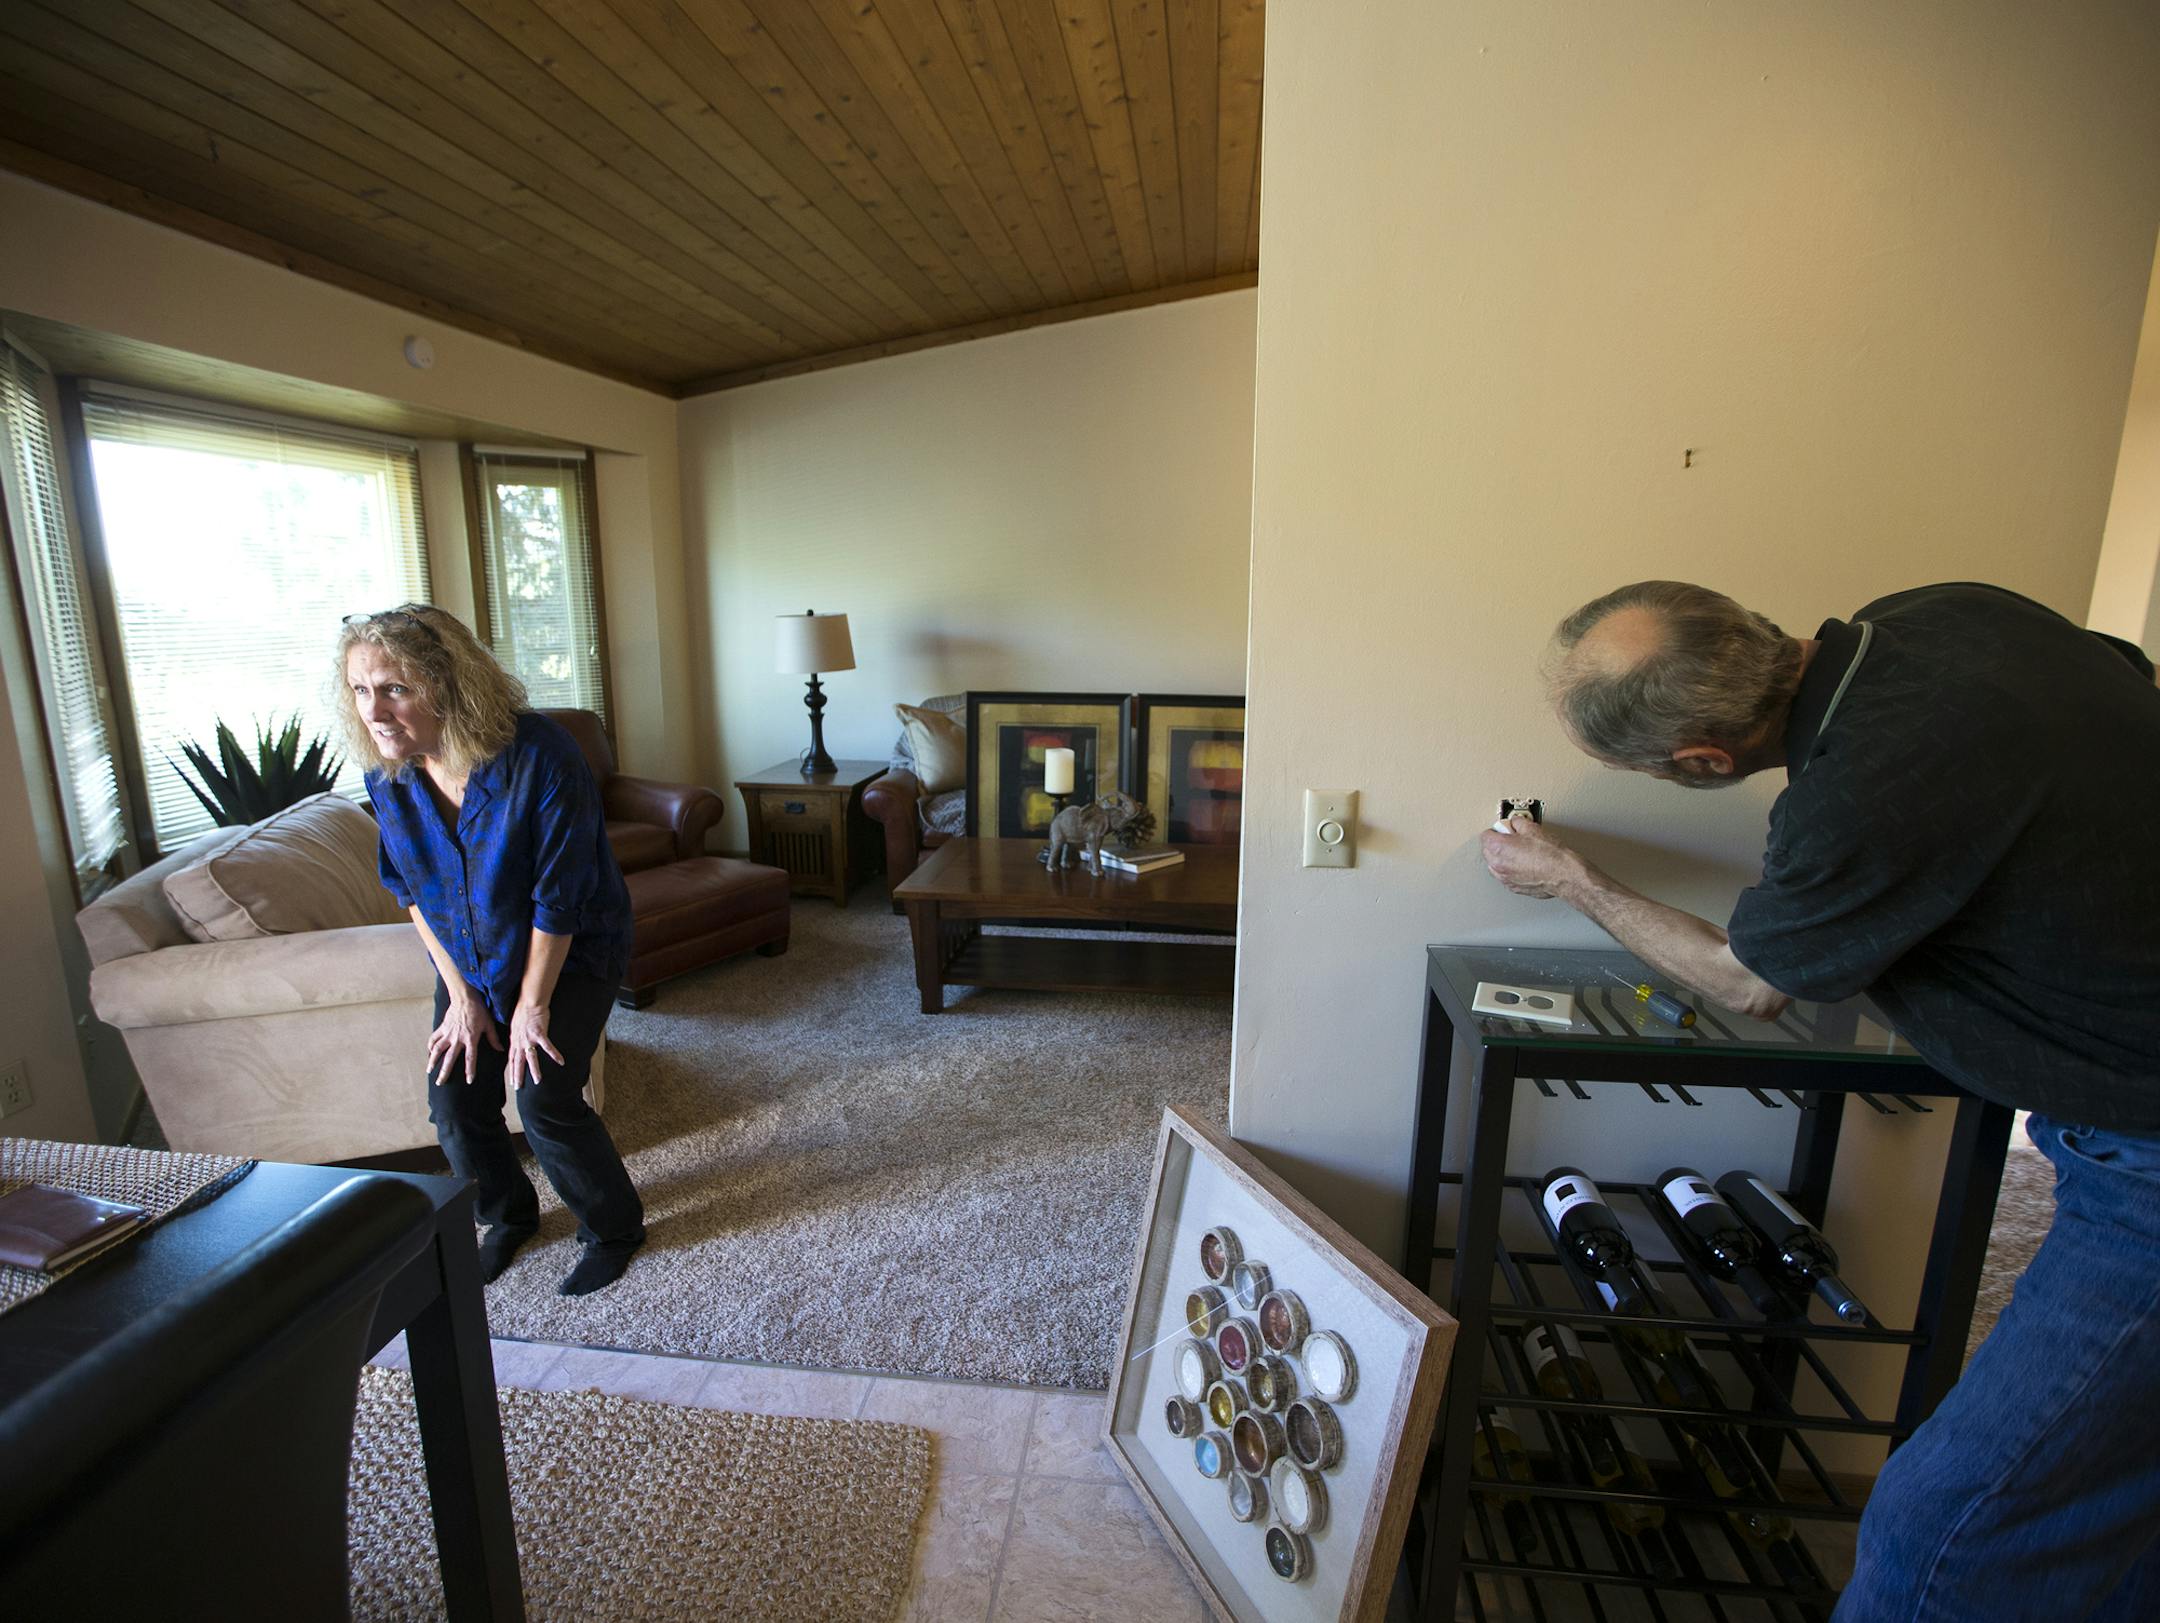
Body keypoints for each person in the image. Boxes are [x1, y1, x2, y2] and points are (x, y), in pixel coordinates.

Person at [1479, 579, 2160, 1622]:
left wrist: (1571, 877)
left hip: (2148, 1154)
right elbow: (2128, 675)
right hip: (2122, 1112)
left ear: (1703, 762)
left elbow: (1750, 980)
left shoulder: (1854, 798)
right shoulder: (1944, 609)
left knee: (1944, 1529)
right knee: (2112, 1507)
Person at [337, 603, 645, 1297]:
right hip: (467, 958)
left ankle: (614, 1225)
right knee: (453, 1097)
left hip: (571, 945)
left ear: (446, 683)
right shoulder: (387, 776)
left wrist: (531, 1008)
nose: (375, 711)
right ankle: (505, 1215)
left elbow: (559, 898)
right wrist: (463, 997)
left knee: (542, 1093)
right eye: (360, 690)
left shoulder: (540, 755)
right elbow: (411, 891)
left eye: (395, 688)